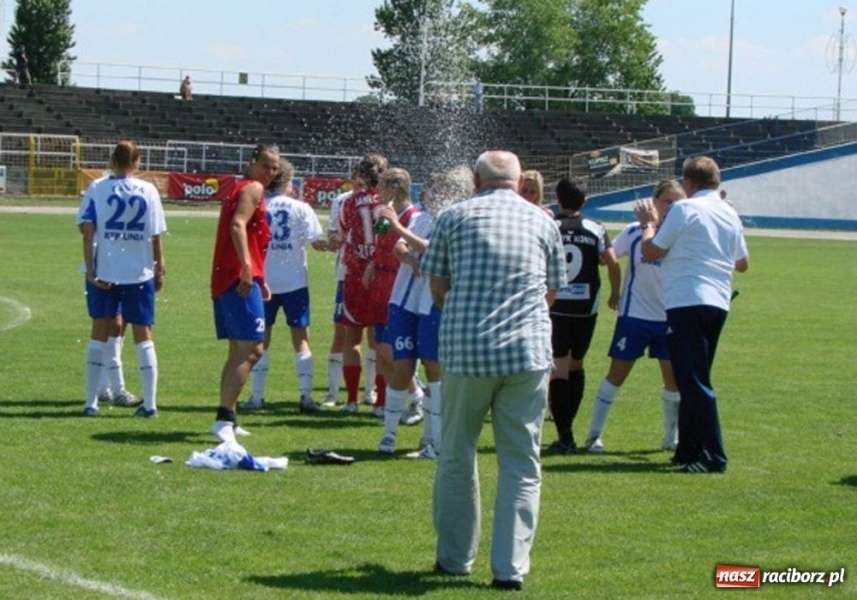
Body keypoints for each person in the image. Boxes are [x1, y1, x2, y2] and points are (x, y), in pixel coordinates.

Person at [422, 150, 566, 590]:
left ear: (478, 181)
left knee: (457, 454)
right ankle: (509, 569)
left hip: (467, 352)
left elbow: (438, 286)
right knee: (522, 462)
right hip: (527, 354)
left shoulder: (453, 217)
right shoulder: (543, 220)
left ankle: (454, 559)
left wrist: (469, 316)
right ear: (519, 182)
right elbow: (552, 291)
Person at [636, 156, 749, 474]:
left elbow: (651, 251)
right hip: (718, 301)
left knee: (693, 380)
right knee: (693, 377)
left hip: (687, 299)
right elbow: (742, 263)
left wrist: (648, 224)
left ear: (688, 183)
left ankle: (714, 455)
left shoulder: (684, 209)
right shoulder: (729, 213)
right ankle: (687, 450)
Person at [375, 167, 473, 457]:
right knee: (401, 365)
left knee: (434, 370)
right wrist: (409, 257)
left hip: (433, 303)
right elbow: (400, 248)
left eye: (439, 186)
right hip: (404, 301)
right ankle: (389, 436)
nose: (430, 191)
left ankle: (434, 441)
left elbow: (433, 249)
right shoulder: (420, 217)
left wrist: (398, 228)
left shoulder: (456, 220)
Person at [583, 180, 685, 453]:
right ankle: (594, 435)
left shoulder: (682, 234)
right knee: (616, 376)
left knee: (673, 381)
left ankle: (669, 438)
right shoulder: (633, 232)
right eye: (667, 201)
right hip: (635, 316)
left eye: (678, 202)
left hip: (669, 318)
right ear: (654, 202)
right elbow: (608, 257)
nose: (672, 207)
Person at [77, 140, 166, 417]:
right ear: (137, 162)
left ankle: (91, 403)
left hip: (106, 269)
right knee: (143, 334)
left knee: (98, 334)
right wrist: (159, 264)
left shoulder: (98, 187)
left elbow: (87, 229)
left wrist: (90, 268)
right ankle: (150, 405)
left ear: (112, 160)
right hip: (139, 272)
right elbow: (155, 232)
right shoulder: (148, 189)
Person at [241, 158, 326, 414]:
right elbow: (316, 241)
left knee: (261, 340)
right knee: (301, 339)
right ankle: (306, 397)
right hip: (295, 282)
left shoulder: (258, 204)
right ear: (288, 182)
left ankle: (257, 397)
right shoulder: (300, 208)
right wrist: (335, 243)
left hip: (264, 280)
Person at [209, 143, 280, 442]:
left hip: (230, 276)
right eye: (266, 165)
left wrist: (258, 274)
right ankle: (225, 420)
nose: (271, 172)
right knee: (253, 348)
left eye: (275, 167)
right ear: (252, 162)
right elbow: (238, 226)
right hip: (237, 278)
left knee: (239, 350)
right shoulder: (253, 189)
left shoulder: (242, 187)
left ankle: (228, 418)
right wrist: (248, 268)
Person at [546, 178, 620, 455]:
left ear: (558, 198)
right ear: (585, 201)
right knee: (576, 364)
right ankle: (568, 430)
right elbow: (612, 262)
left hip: (555, 306)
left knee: (558, 367)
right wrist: (615, 291)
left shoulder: (550, 225)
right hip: (585, 308)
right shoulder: (595, 228)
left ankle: (565, 435)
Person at [77, 172, 141, 410]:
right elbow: (85, 228)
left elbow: (84, 227)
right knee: (111, 325)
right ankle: (115, 388)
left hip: (113, 264)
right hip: (112, 266)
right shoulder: (102, 188)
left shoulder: (100, 187)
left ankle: (106, 388)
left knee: (115, 325)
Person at [337, 153, 388, 414]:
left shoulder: (349, 202)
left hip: (356, 274)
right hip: (381, 275)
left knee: (352, 340)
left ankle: (352, 401)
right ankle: (380, 403)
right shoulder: (386, 202)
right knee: (380, 342)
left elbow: (344, 232)